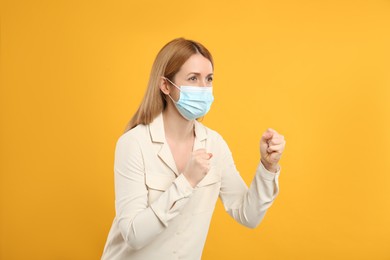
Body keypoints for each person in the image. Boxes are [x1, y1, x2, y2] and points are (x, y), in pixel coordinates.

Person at [101, 38, 286, 260]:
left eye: (208, 79)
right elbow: (133, 235)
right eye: (193, 79)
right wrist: (186, 181)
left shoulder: (214, 144)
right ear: (166, 85)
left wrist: (268, 166)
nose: (204, 88)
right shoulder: (134, 144)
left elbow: (248, 215)